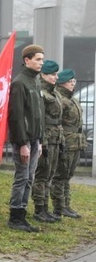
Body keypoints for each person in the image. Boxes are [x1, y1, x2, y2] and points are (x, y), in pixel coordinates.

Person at [7, 44, 45, 232]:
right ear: (27, 60)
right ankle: (15, 216)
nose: (41, 63)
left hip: (34, 139)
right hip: (23, 140)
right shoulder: (19, 83)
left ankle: (22, 212)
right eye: (38, 59)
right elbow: (16, 116)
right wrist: (22, 144)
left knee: (30, 177)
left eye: (42, 59)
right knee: (22, 177)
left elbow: (39, 114)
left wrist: (40, 140)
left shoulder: (36, 82)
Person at [31, 60, 64, 223]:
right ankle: (39, 208)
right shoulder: (40, 92)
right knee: (42, 175)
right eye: (52, 74)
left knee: (50, 174)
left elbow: (58, 119)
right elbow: (40, 119)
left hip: (55, 138)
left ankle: (45, 207)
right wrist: (42, 142)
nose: (56, 77)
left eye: (56, 74)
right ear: (43, 75)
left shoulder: (55, 92)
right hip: (46, 139)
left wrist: (61, 139)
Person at [51, 68, 85, 219]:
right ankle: (59, 207)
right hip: (65, 141)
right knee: (61, 175)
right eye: (70, 82)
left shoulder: (72, 99)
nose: (73, 84)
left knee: (68, 175)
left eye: (73, 81)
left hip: (75, 142)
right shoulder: (60, 100)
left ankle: (66, 205)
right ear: (62, 83)